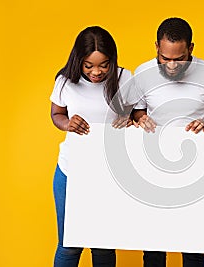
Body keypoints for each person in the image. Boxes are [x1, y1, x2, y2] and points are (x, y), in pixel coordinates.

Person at [131, 17, 204, 267]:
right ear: (156, 46)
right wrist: (141, 117)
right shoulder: (142, 73)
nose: (171, 66)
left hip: (197, 167)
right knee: (154, 245)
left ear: (191, 48)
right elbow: (136, 110)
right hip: (153, 167)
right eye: (165, 58)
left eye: (178, 59)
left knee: (192, 244)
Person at [50, 26, 132, 267]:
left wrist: (131, 120)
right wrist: (67, 123)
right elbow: (56, 113)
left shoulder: (125, 78)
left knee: (103, 244)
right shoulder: (65, 81)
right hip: (71, 171)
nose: (97, 72)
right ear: (79, 61)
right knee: (68, 244)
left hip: (111, 172)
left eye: (104, 65)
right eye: (89, 65)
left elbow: (139, 115)